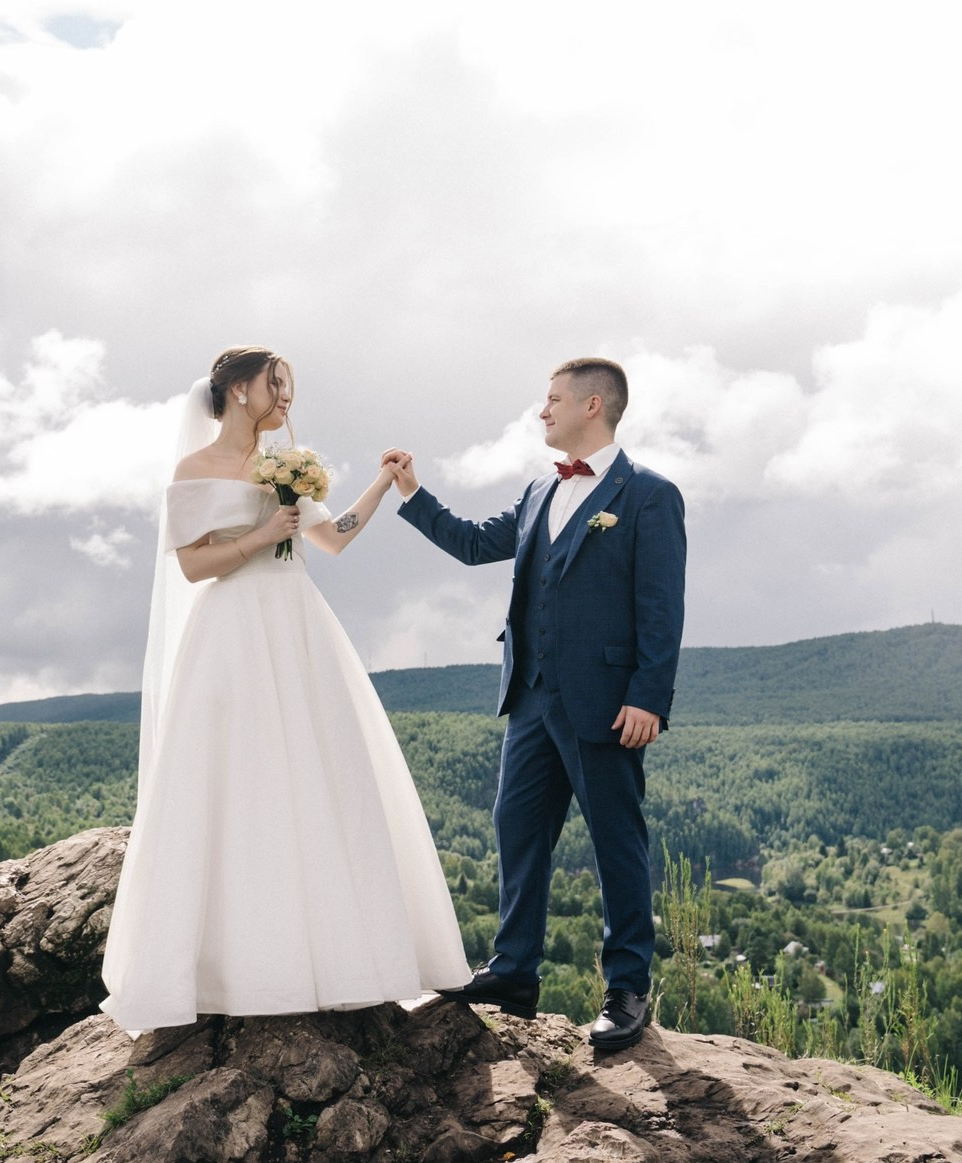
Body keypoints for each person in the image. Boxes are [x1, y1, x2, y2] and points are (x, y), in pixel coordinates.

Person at [100, 346, 472, 1033]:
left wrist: (382, 487)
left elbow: (333, 540)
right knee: (240, 780)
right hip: (232, 631)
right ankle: (235, 968)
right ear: (240, 390)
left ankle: (336, 960)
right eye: (278, 384)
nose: (287, 397)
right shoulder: (194, 470)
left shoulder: (288, 469)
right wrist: (262, 534)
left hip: (299, 627)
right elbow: (191, 566)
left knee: (320, 774)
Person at [381, 356, 685, 1050]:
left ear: (593, 406)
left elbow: (662, 606)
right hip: (531, 696)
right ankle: (515, 969)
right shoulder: (535, 495)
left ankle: (628, 988)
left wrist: (649, 696)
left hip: (608, 704)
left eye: (552, 400)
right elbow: (471, 544)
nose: (542, 411)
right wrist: (412, 492)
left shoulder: (648, 494)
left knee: (616, 842)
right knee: (516, 827)